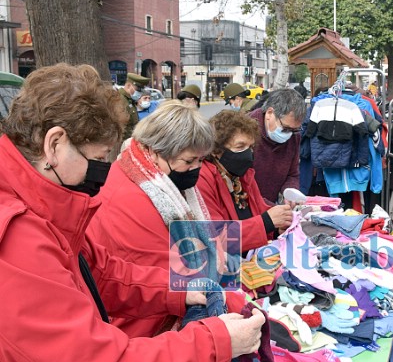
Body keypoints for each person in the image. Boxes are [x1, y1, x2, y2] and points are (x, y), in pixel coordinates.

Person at [0, 63, 265, 362]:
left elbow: (103, 274)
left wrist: (183, 292)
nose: (103, 169)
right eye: (98, 157)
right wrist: (216, 340)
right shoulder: (17, 237)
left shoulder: (49, 205)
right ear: (55, 144)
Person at [88, 101, 222, 338]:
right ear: (154, 151)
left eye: (201, 160)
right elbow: (167, 272)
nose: (196, 168)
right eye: (189, 161)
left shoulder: (151, 177)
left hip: (155, 306)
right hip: (142, 326)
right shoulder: (132, 198)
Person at [197, 109, 293, 251]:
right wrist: (267, 222)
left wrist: (278, 227)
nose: (248, 154)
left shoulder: (242, 175)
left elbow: (260, 212)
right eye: (240, 147)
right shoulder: (202, 178)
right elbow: (216, 237)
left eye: (251, 147)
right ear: (216, 150)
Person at [249, 88, 306, 205]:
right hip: (247, 205)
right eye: (285, 128)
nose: (289, 134)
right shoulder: (245, 131)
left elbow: (292, 173)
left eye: (294, 130)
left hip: (271, 204)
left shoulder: (294, 136)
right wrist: (267, 207)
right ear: (270, 113)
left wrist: (290, 191)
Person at [119, 72, 149, 140]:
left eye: (141, 90)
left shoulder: (130, 100)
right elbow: (121, 128)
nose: (140, 92)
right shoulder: (120, 100)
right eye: (138, 89)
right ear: (129, 85)